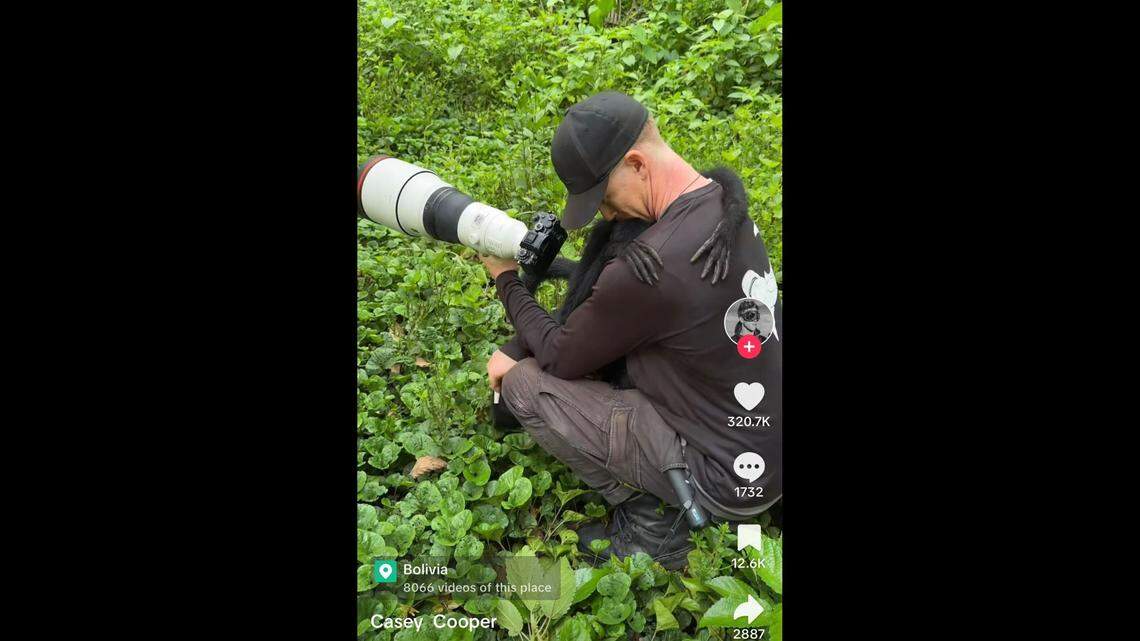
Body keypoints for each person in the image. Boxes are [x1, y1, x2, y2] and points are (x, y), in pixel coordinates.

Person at [478, 91, 782, 569]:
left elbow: (560, 353)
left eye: (602, 197)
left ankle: (653, 523)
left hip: (723, 479)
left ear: (637, 165)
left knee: (523, 383)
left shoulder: (651, 266)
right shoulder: (724, 207)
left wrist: (506, 280)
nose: (604, 214)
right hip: (765, 450)